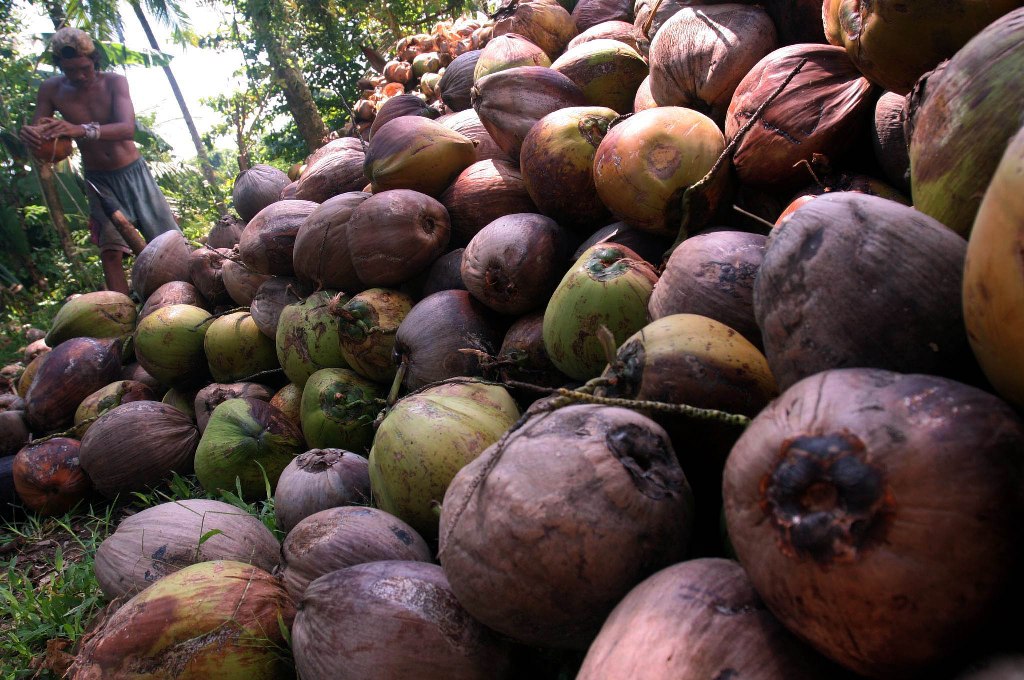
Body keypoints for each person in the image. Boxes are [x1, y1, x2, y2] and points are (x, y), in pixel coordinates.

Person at [19, 27, 181, 295]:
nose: (80, 76)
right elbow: (42, 132)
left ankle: (186, 290)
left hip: (134, 173)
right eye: (70, 71)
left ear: (94, 60)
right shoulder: (51, 90)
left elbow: (126, 128)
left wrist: (79, 129)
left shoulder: (114, 82)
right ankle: (122, 313)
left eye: (85, 68)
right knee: (111, 252)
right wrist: (31, 136)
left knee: (168, 240)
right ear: (60, 66)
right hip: (99, 180)